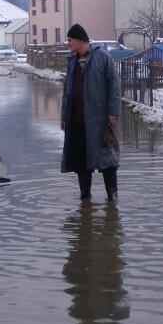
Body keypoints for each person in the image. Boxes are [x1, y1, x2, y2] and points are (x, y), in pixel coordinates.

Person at [60, 23, 121, 201]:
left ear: (80, 40)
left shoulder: (103, 58)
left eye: (70, 40)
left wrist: (113, 112)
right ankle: (85, 197)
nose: (68, 43)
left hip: (100, 121)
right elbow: (67, 93)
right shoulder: (72, 63)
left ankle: (112, 196)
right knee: (81, 161)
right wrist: (64, 117)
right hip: (77, 121)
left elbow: (114, 87)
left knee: (107, 159)